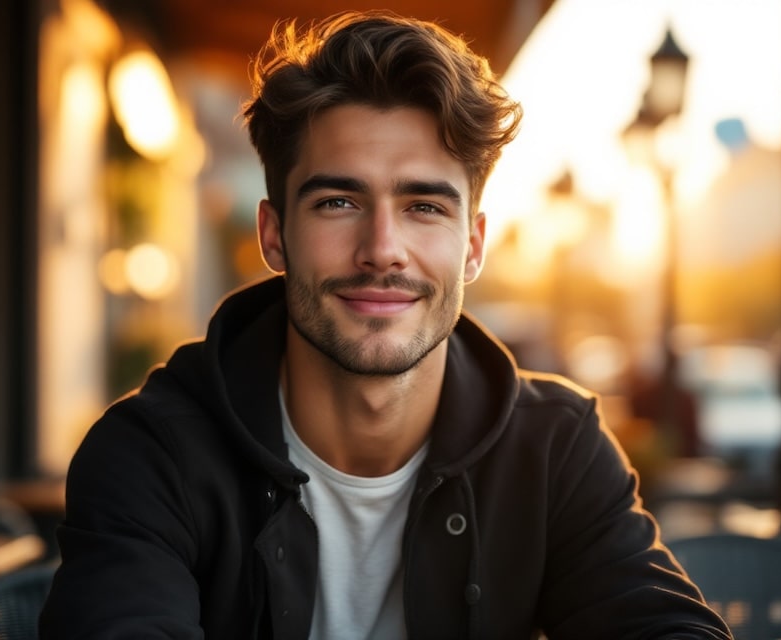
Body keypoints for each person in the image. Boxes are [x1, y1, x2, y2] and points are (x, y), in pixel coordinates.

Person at [39, 10, 732, 639]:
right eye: (338, 202)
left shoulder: (554, 448)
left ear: (473, 246)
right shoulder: (151, 453)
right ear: (274, 235)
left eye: (424, 207)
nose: (382, 249)